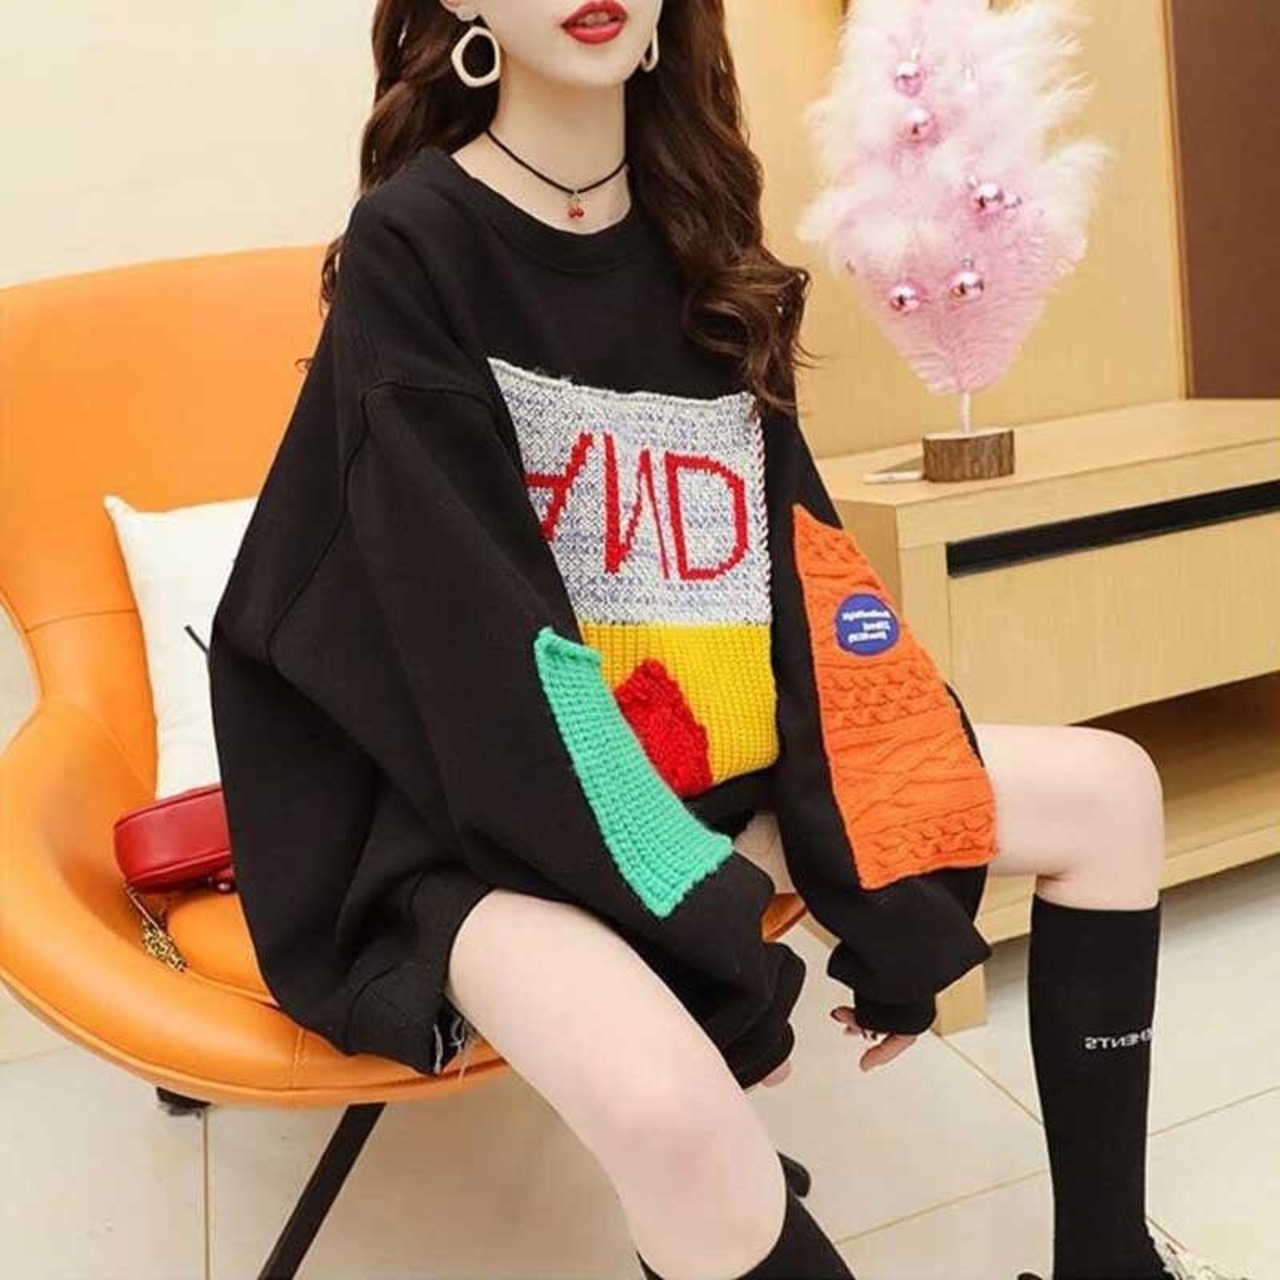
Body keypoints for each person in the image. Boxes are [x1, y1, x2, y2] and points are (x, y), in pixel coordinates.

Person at [206, 3, 1247, 1278]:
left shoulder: (697, 236)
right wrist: (710, 921)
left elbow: (800, 578)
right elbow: (485, 656)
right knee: (672, 1116)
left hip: (698, 766)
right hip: (473, 811)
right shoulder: (413, 245)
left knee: (1109, 790)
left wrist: (890, 880)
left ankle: (1109, 1262)